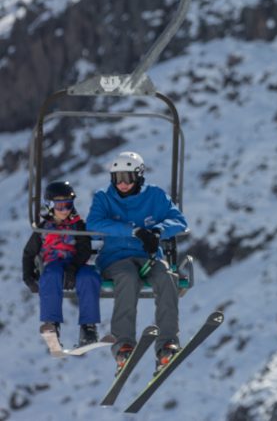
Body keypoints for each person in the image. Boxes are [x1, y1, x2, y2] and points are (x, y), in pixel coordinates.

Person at [86, 151, 187, 374]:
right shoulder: (104, 197)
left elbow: (179, 221)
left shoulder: (155, 196)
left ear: (139, 176)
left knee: (167, 277)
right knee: (127, 278)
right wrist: (133, 231)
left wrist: (159, 231)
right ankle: (124, 344)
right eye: (117, 177)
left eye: (127, 177)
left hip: (148, 257)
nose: (122, 183)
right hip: (115, 258)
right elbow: (95, 223)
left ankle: (167, 344)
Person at [21, 180, 102, 348]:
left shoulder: (78, 226)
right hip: (54, 264)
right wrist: (28, 276)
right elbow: (29, 253)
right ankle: (52, 324)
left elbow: (84, 250)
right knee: (51, 275)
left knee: (89, 276)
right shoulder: (43, 229)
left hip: (76, 264)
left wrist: (74, 267)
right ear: (50, 206)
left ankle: (88, 327)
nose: (65, 210)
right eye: (60, 206)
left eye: (68, 205)